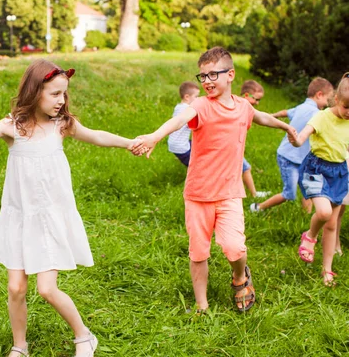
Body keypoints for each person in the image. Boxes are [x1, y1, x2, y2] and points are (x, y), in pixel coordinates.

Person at [0, 59, 139, 357]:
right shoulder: (12, 127)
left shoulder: (62, 125)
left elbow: (97, 136)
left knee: (46, 289)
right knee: (16, 288)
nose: (62, 101)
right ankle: (20, 347)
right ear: (34, 92)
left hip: (50, 217)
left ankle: (84, 336)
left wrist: (130, 143)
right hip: (20, 217)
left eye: (64, 94)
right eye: (55, 94)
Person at [132, 47, 297, 313]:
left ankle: (240, 277)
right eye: (202, 76)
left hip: (230, 192)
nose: (207, 81)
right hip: (198, 194)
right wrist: (154, 136)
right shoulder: (200, 106)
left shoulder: (243, 106)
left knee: (235, 248)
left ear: (230, 74)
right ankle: (201, 305)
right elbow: (178, 120)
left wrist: (286, 126)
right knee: (198, 253)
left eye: (212, 75)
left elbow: (261, 116)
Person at [293, 73, 349, 286]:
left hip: (339, 172)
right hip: (316, 169)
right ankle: (309, 236)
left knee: (333, 225)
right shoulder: (322, 117)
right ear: (336, 100)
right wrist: (296, 140)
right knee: (324, 212)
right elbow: (303, 136)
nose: (348, 113)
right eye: (346, 107)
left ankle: (327, 270)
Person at [250, 78, 334, 213]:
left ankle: (306, 216)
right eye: (327, 99)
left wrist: (271, 116)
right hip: (289, 158)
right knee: (289, 194)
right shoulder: (318, 114)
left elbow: (285, 112)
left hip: (301, 159)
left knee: (307, 188)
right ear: (319, 95)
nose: (327, 104)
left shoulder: (302, 107)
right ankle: (258, 207)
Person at [239, 80, 270, 199]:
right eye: (256, 99)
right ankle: (252, 195)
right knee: (245, 168)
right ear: (246, 95)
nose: (257, 103)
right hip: (226, 148)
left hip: (234, 147)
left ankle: (250, 194)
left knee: (244, 168)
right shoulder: (240, 106)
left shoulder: (245, 107)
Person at [167, 81, 200, 166]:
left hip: (173, 143)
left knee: (197, 145)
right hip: (181, 147)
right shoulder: (188, 110)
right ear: (187, 97)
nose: (198, 99)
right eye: (196, 96)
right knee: (197, 164)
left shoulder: (179, 107)